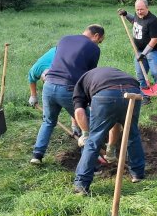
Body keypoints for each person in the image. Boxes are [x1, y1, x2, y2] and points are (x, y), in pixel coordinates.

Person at [29, 25, 105, 165]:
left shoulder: (64, 39)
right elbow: (88, 76)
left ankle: (37, 155)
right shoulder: (94, 48)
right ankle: (90, 164)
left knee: (48, 121)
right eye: (100, 41)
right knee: (87, 124)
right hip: (69, 88)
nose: (98, 43)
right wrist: (87, 100)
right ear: (96, 36)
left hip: (48, 85)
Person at [72, 67, 146, 196]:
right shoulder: (104, 74)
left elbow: (79, 111)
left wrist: (85, 134)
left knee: (93, 140)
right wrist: (110, 148)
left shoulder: (80, 86)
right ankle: (138, 174)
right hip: (133, 90)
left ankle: (81, 184)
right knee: (132, 134)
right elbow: (115, 122)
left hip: (106, 94)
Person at [118, 0, 157, 106]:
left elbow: (154, 40)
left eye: (141, 9)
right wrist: (125, 14)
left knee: (156, 72)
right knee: (140, 75)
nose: (139, 12)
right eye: (137, 9)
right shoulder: (137, 15)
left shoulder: (153, 21)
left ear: (147, 8)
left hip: (153, 51)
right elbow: (134, 20)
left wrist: (144, 54)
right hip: (138, 51)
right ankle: (145, 96)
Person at [27, 46, 82, 137]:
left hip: (66, 52)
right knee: (49, 121)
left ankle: (78, 127)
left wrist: (74, 123)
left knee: (74, 102)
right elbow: (31, 78)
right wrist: (33, 95)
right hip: (58, 51)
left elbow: (74, 98)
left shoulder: (66, 69)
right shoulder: (36, 69)